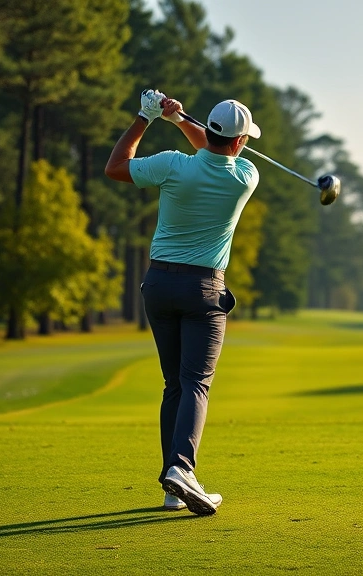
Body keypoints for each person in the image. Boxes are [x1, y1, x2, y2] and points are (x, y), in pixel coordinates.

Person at [104, 90, 261, 516]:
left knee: (174, 384)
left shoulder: (172, 164)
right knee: (195, 382)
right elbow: (214, 149)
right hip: (203, 291)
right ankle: (181, 468)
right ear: (241, 142)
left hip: (158, 284)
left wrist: (146, 117)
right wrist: (178, 121)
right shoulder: (245, 176)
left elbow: (115, 166)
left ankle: (175, 487)